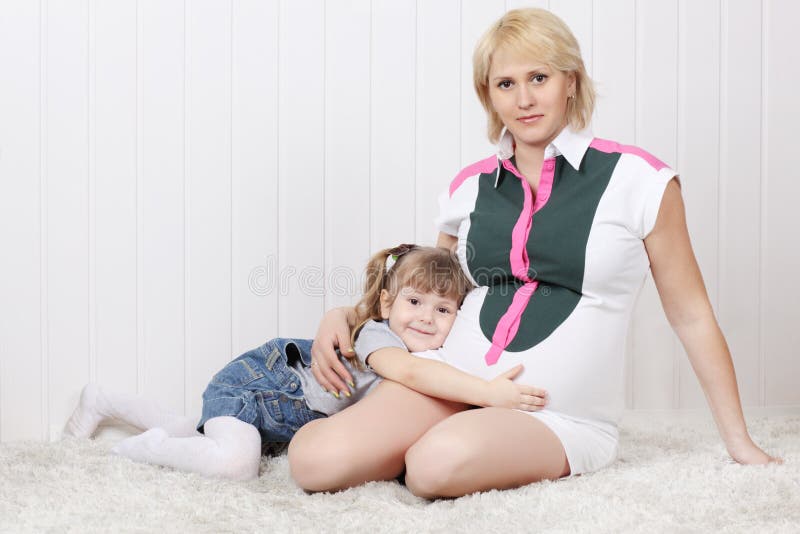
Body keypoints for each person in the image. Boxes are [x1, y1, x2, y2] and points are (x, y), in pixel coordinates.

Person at [287, 7, 781, 498]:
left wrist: (739, 442)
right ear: (489, 95)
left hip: (558, 415)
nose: (524, 99)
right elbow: (430, 288)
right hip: (453, 384)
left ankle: (433, 444)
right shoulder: (470, 186)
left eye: (538, 77)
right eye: (505, 84)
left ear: (570, 81)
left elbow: (692, 316)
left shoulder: (641, 182)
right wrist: (347, 314)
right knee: (313, 462)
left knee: (433, 465)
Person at [63, 245, 546, 481]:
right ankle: (139, 452)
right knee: (234, 464)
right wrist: (487, 392)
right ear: (384, 304)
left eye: (443, 311)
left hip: (276, 408)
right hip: (264, 387)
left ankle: (103, 399)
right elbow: (412, 375)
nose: (426, 318)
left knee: (190, 426)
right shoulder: (381, 339)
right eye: (415, 302)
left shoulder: (419, 348)